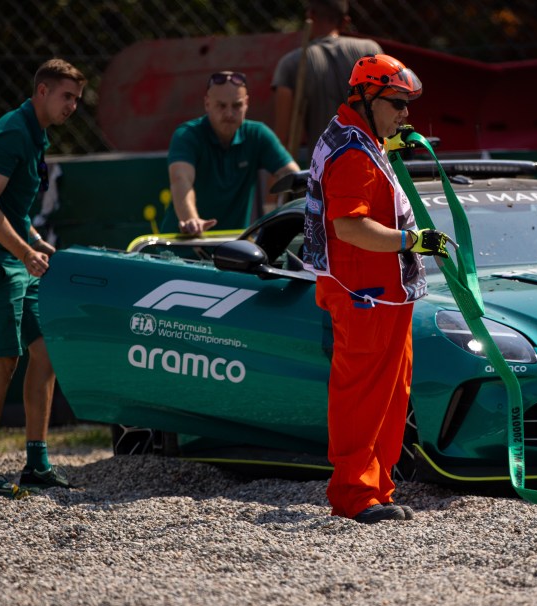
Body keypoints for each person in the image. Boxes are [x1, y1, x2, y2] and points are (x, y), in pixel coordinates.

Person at [303, 54, 449, 524]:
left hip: (383, 293)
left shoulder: (360, 139)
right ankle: (354, 494)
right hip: (365, 292)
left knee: (390, 393)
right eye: (397, 103)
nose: (406, 113)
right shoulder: (352, 153)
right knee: (363, 396)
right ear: (365, 98)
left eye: (408, 104)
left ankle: (376, 488)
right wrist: (413, 240)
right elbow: (350, 227)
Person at [0, 59, 85, 498]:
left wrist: (39, 245)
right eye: (67, 96)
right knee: (2, 361)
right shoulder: (12, 133)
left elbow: (15, 209)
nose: (73, 107)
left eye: (77, 99)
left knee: (45, 353)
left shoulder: (35, 132)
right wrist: (26, 253)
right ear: (41, 91)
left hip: (13, 257)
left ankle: (37, 464)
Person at [161, 70, 300, 235]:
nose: (229, 113)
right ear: (207, 104)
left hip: (232, 250)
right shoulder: (186, 135)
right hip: (182, 250)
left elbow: (294, 176)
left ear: (246, 103)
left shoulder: (258, 134)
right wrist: (192, 220)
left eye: (237, 105)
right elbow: (180, 180)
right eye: (221, 105)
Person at [270, 0, 382, 162]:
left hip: (324, 170)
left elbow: (283, 136)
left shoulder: (292, 63)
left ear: (310, 16)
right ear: (346, 21)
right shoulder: (371, 51)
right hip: (373, 163)